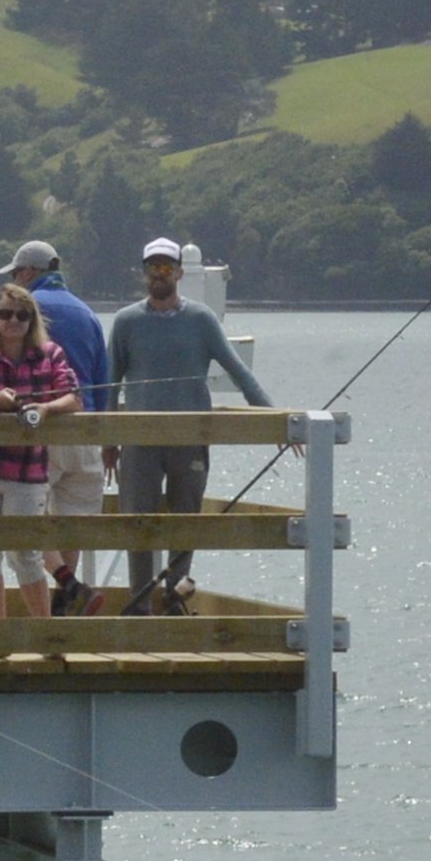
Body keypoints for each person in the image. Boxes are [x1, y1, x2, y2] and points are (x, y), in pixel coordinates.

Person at [106, 237, 269, 611]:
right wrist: (108, 442)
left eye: (166, 267)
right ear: (143, 273)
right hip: (138, 443)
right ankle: (140, 602)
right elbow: (110, 384)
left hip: (190, 440)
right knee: (138, 525)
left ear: (179, 272)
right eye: (152, 268)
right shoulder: (126, 321)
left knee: (185, 521)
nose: (159, 275)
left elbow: (239, 372)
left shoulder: (201, 319)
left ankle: (175, 595)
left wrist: (276, 421)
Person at [0, 240, 113, 610]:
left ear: (28, 273)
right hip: (84, 434)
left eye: (17, 274)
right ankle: (65, 608)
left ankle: (65, 587)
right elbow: (103, 377)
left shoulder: (21, 306)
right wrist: (109, 438)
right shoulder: (88, 314)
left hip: (37, 436)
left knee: (25, 528)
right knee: (69, 525)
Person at [0, 284, 85, 619]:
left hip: (27, 471)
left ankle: (44, 635)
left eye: (22, 315)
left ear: (32, 320)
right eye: (5, 314)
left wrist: (44, 410)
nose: (13, 321)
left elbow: (74, 397)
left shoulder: (50, 354)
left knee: (25, 553)